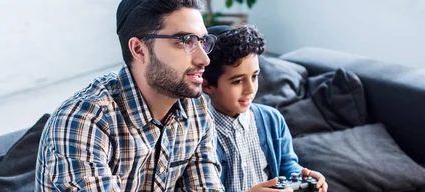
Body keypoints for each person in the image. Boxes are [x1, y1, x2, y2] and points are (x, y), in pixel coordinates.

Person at [35, 0, 224, 191]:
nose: (204, 59)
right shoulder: (83, 121)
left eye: (202, 42)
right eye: (185, 42)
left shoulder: (195, 108)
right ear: (139, 50)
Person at [201, 25, 328, 192]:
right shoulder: (200, 133)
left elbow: (287, 166)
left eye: (254, 76)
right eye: (238, 81)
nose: (250, 89)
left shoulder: (272, 120)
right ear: (207, 85)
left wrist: (303, 178)